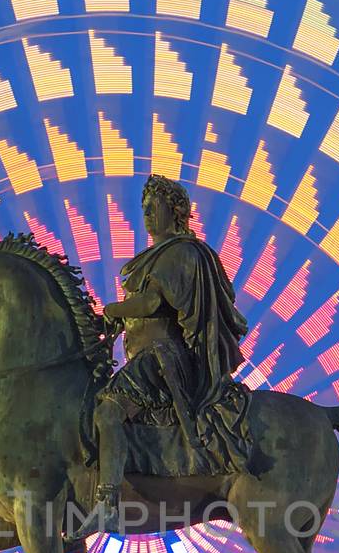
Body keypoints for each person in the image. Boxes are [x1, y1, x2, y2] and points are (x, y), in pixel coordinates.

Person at [88, 175, 250, 533]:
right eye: (143, 208)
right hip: (148, 357)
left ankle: (107, 502)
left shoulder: (180, 253)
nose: (146, 215)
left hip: (164, 359)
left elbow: (152, 302)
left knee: (109, 411)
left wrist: (112, 310)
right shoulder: (162, 254)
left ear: (174, 211)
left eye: (153, 207)